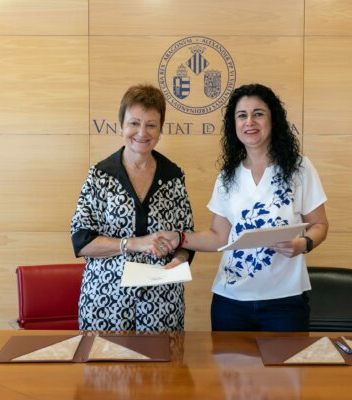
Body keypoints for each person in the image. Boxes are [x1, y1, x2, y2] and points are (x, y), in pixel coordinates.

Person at [160, 83, 328, 332]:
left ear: (273, 120)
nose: (250, 122)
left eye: (258, 114)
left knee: (286, 361)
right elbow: (219, 237)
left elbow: (319, 225)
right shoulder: (227, 176)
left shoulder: (299, 169)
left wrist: (303, 244)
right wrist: (180, 238)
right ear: (234, 124)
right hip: (230, 302)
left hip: (284, 301)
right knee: (228, 360)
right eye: (242, 115)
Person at [70, 84, 193, 332]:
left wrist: (179, 260)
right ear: (121, 125)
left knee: (162, 360)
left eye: (151, 125)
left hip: (162, 304)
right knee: (104, 359)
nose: (142, 132)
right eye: (134, 123)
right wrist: (133, 243)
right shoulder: (100, 175)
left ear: (160, 130)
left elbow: (186, 238)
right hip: (106, 302)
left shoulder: (173, 176)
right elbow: (81, 241)